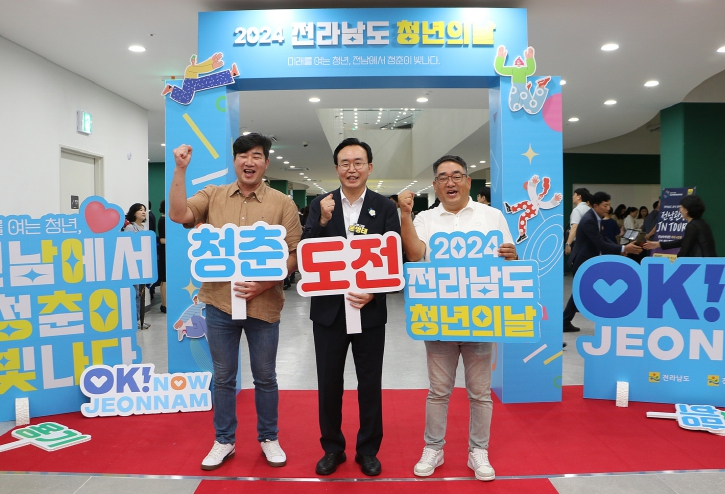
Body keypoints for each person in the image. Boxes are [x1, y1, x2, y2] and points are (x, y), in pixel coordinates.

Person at [168, 133, 302, 471]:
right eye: (243, 155)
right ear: (235, 160)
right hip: (219, 304)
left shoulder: (283, 203)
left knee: (265, 377)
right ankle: (224, 440)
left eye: (256, 156)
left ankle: (269, 437)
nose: (249, 162)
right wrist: (180, 169)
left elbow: (293, 254)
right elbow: (179, 214)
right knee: (223, 377)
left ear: (266, 162)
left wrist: (263, 284)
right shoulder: (212, 195)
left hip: (264, 306)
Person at [399, 155, 518, 483]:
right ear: (435, 185)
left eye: (456, 176)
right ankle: (433, 448)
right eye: (443, 177)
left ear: (468, 181)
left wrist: (512, 255)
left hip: (481, 316)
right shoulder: (425, 218)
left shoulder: (492, 216)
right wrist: (405, 215)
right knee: (438, 391)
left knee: (480, 392)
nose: (450, 182)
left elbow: (509, 260)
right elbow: (414, 255)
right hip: (439, 317)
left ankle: (478, 450)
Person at [303, 138, 400, 477]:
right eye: (345, 163)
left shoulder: (384, 207)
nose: (352, 169)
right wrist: (321, 221)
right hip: (329, 312)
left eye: (358, 162)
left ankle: (368, 450)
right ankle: (332, 448)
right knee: (329, 383)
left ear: (369, 167)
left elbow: (393, 257)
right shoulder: (320, 204)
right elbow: (306, 252)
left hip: (369, 311)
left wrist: (374, 291)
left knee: (369, 384)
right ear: (336, 168)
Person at [563, 192, 643, 332]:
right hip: (583, 261)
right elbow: (600, 243)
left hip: (588, 260)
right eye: (605, 205)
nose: (608, 208)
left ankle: (566, 321)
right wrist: (624, 248)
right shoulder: (589, 220)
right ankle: (567, 321)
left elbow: (603, 239)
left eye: (609, 205)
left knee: (581, 291)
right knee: (582, 291)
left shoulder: (595, 218)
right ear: (595, 206)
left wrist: (621, 249)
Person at [643, 195, 717, 257]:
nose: (679, 209)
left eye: (681, 207)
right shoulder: (701, 223)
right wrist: (659, 244)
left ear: (687, 210)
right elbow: (684, 241)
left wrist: (676, 263)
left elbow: (685, 250)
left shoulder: (692, 226)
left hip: (702, 264)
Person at [123, 203, 149, 330]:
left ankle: (139, 319)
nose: (143, 212)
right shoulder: (130, 228)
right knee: (134, 293)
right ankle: (134, 320)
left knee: (140, 293)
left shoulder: (144, 227)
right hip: (132, 265)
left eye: (144, 210)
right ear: (134, 213)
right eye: (140, 210)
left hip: (141, 264)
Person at [564, 188, 590, 256]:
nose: (572, 197)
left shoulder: (577, 210)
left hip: (579, 245)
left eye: (574, 194)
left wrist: (568, 244)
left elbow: (575, 227)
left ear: (579, 197)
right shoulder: (590, 210)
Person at [157, 200, 167, 313]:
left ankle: (164, 304)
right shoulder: (163, 220)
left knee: (164, 280)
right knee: (164, 279)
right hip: (164, 252)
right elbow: (162, 240)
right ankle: (164, 304)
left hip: (164, 252)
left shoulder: (163, 219)